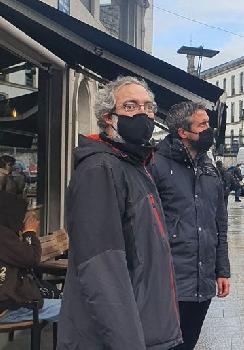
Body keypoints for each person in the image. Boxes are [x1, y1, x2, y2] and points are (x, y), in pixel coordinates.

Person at [57, 76, 182, 349]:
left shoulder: (134, 165)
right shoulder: (100, 170)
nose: (143, 113)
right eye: (130, 106)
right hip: (114, 339)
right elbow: (102, 270)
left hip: (143, 327)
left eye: (148, 107)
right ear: (108, 118)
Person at [148, 102, 230, 350]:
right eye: (202, 124)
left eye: (208, 123)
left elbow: (219, 223)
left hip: (202, 282)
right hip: (169, 280)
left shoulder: (208, 167)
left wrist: (222, 270)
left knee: (188, 343)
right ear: (182, 132)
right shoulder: (156, 165)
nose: (209, 130)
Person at [0, 192, 61, 324]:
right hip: (7, 308)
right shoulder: (3, 236)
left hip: (8, 303)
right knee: (73, 309)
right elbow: (31, 258)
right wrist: (29, 233)